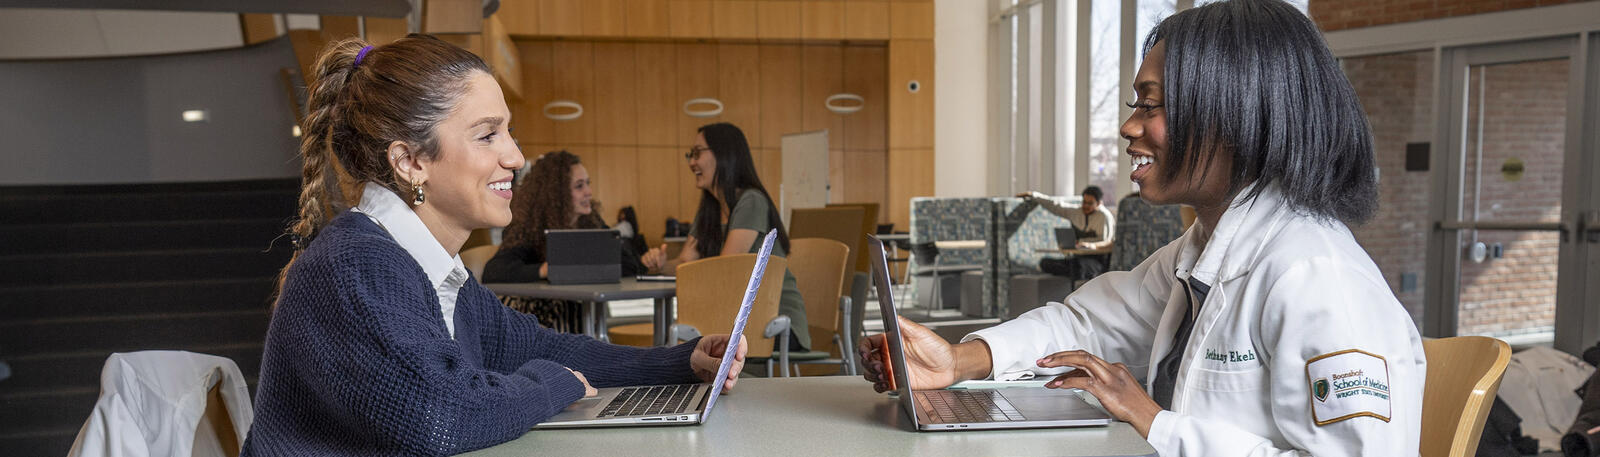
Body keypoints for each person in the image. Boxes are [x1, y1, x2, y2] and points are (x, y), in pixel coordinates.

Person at [859, 1, 1426, 455]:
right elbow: (1085, 322)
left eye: (1150, 105)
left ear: (1236, 115)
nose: (1129, 125)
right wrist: (959, 361)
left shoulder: (1319, 278)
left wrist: (1154, 422)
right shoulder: (1204, 251)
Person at [244, 35, 746, 456]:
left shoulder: (424, 266)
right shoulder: (356, 267)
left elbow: (534, 345)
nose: (516, 156)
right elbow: (441, 416)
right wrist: (555, 382)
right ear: (410, 162)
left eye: (509, 132)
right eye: (487, 136)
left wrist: (681, 362)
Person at [639, 122, 811, 352]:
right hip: (737, 319)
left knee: (684, 342)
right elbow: (683, 263)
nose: (691, 162)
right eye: (690, 155)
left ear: (724, 154)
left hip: (774, 323)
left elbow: (725, 271)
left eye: (698, 153)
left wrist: (686, 269)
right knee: (683, 343)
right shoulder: (709, 209)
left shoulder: (751, 201)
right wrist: (660, 264)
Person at [481, 150, 645, 332]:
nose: (589, 192)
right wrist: (543, 270)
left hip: (582, 312)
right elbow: (494, 271)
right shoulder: (529, 227)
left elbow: (628, 264)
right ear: (558, 194)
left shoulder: (591, 223)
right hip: (539, 319)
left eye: (588, 184)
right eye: (579, 186)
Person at [1020, 185, 1116, 279]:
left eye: (1090, 203)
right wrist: (1034, 195)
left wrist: (1092, 245)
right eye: (1084, 202)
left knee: (1078, 267)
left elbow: (1109, 243)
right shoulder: (1076, 212)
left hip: (1096, 260)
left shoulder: (1105, 216)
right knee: (1045, 263)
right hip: (1077, 257)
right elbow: (1055, 205)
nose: (1086, 206)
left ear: (1099, 203)